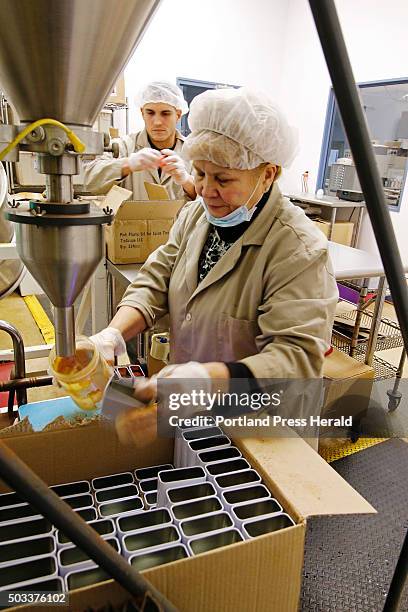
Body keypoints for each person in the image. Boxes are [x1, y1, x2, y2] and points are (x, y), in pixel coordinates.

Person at [91, 87, 339, 446]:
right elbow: (157, 276)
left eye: (223, 179)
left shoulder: (297, 249)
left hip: (262, 428)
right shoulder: (196, 215)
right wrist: (113, 333)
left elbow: (296, 358)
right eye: (201, 174)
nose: (206, 190)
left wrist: (208, 379)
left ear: (267, 174)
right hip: (193, 414)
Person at [83, 81, 195, 200]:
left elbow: (209, 204)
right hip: (134, 219)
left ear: (178, 115)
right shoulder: (123, 146)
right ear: (142, 113)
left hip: (179, 219)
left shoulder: (193, 152)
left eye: (165, 114)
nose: (157, 122)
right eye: (150, 113)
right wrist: (127, 164)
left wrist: (186, 181)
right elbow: (90, 181)